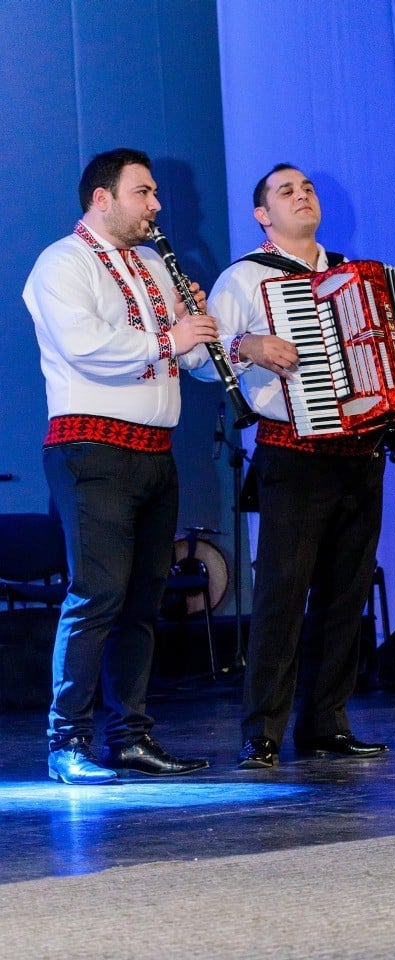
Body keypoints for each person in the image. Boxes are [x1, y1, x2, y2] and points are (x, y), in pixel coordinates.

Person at [23, 148, 219, 784]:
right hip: (91, 450)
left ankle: (129, 736)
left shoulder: (155, 265)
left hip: (153, 452)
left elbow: (184, 362)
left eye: (156, 192)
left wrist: (203, 333)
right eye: (144, 192)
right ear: (102, 198)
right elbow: (85, 347)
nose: (156, 205)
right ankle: (66, 741)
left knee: (141, 602)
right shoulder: (62, 262)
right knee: (97, 595)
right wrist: (170, 339)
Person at [194, 163, 388, 768]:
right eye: (286, 191)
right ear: (262, 215)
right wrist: (245, 345)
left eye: (307, 189)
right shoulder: (245, 278)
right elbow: (201, 358)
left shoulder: (356, 277)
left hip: (360, 450)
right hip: (290, 450)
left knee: (345, 594)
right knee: (282, 592)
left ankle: (326, 720)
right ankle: (263, 728)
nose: (302, 196)